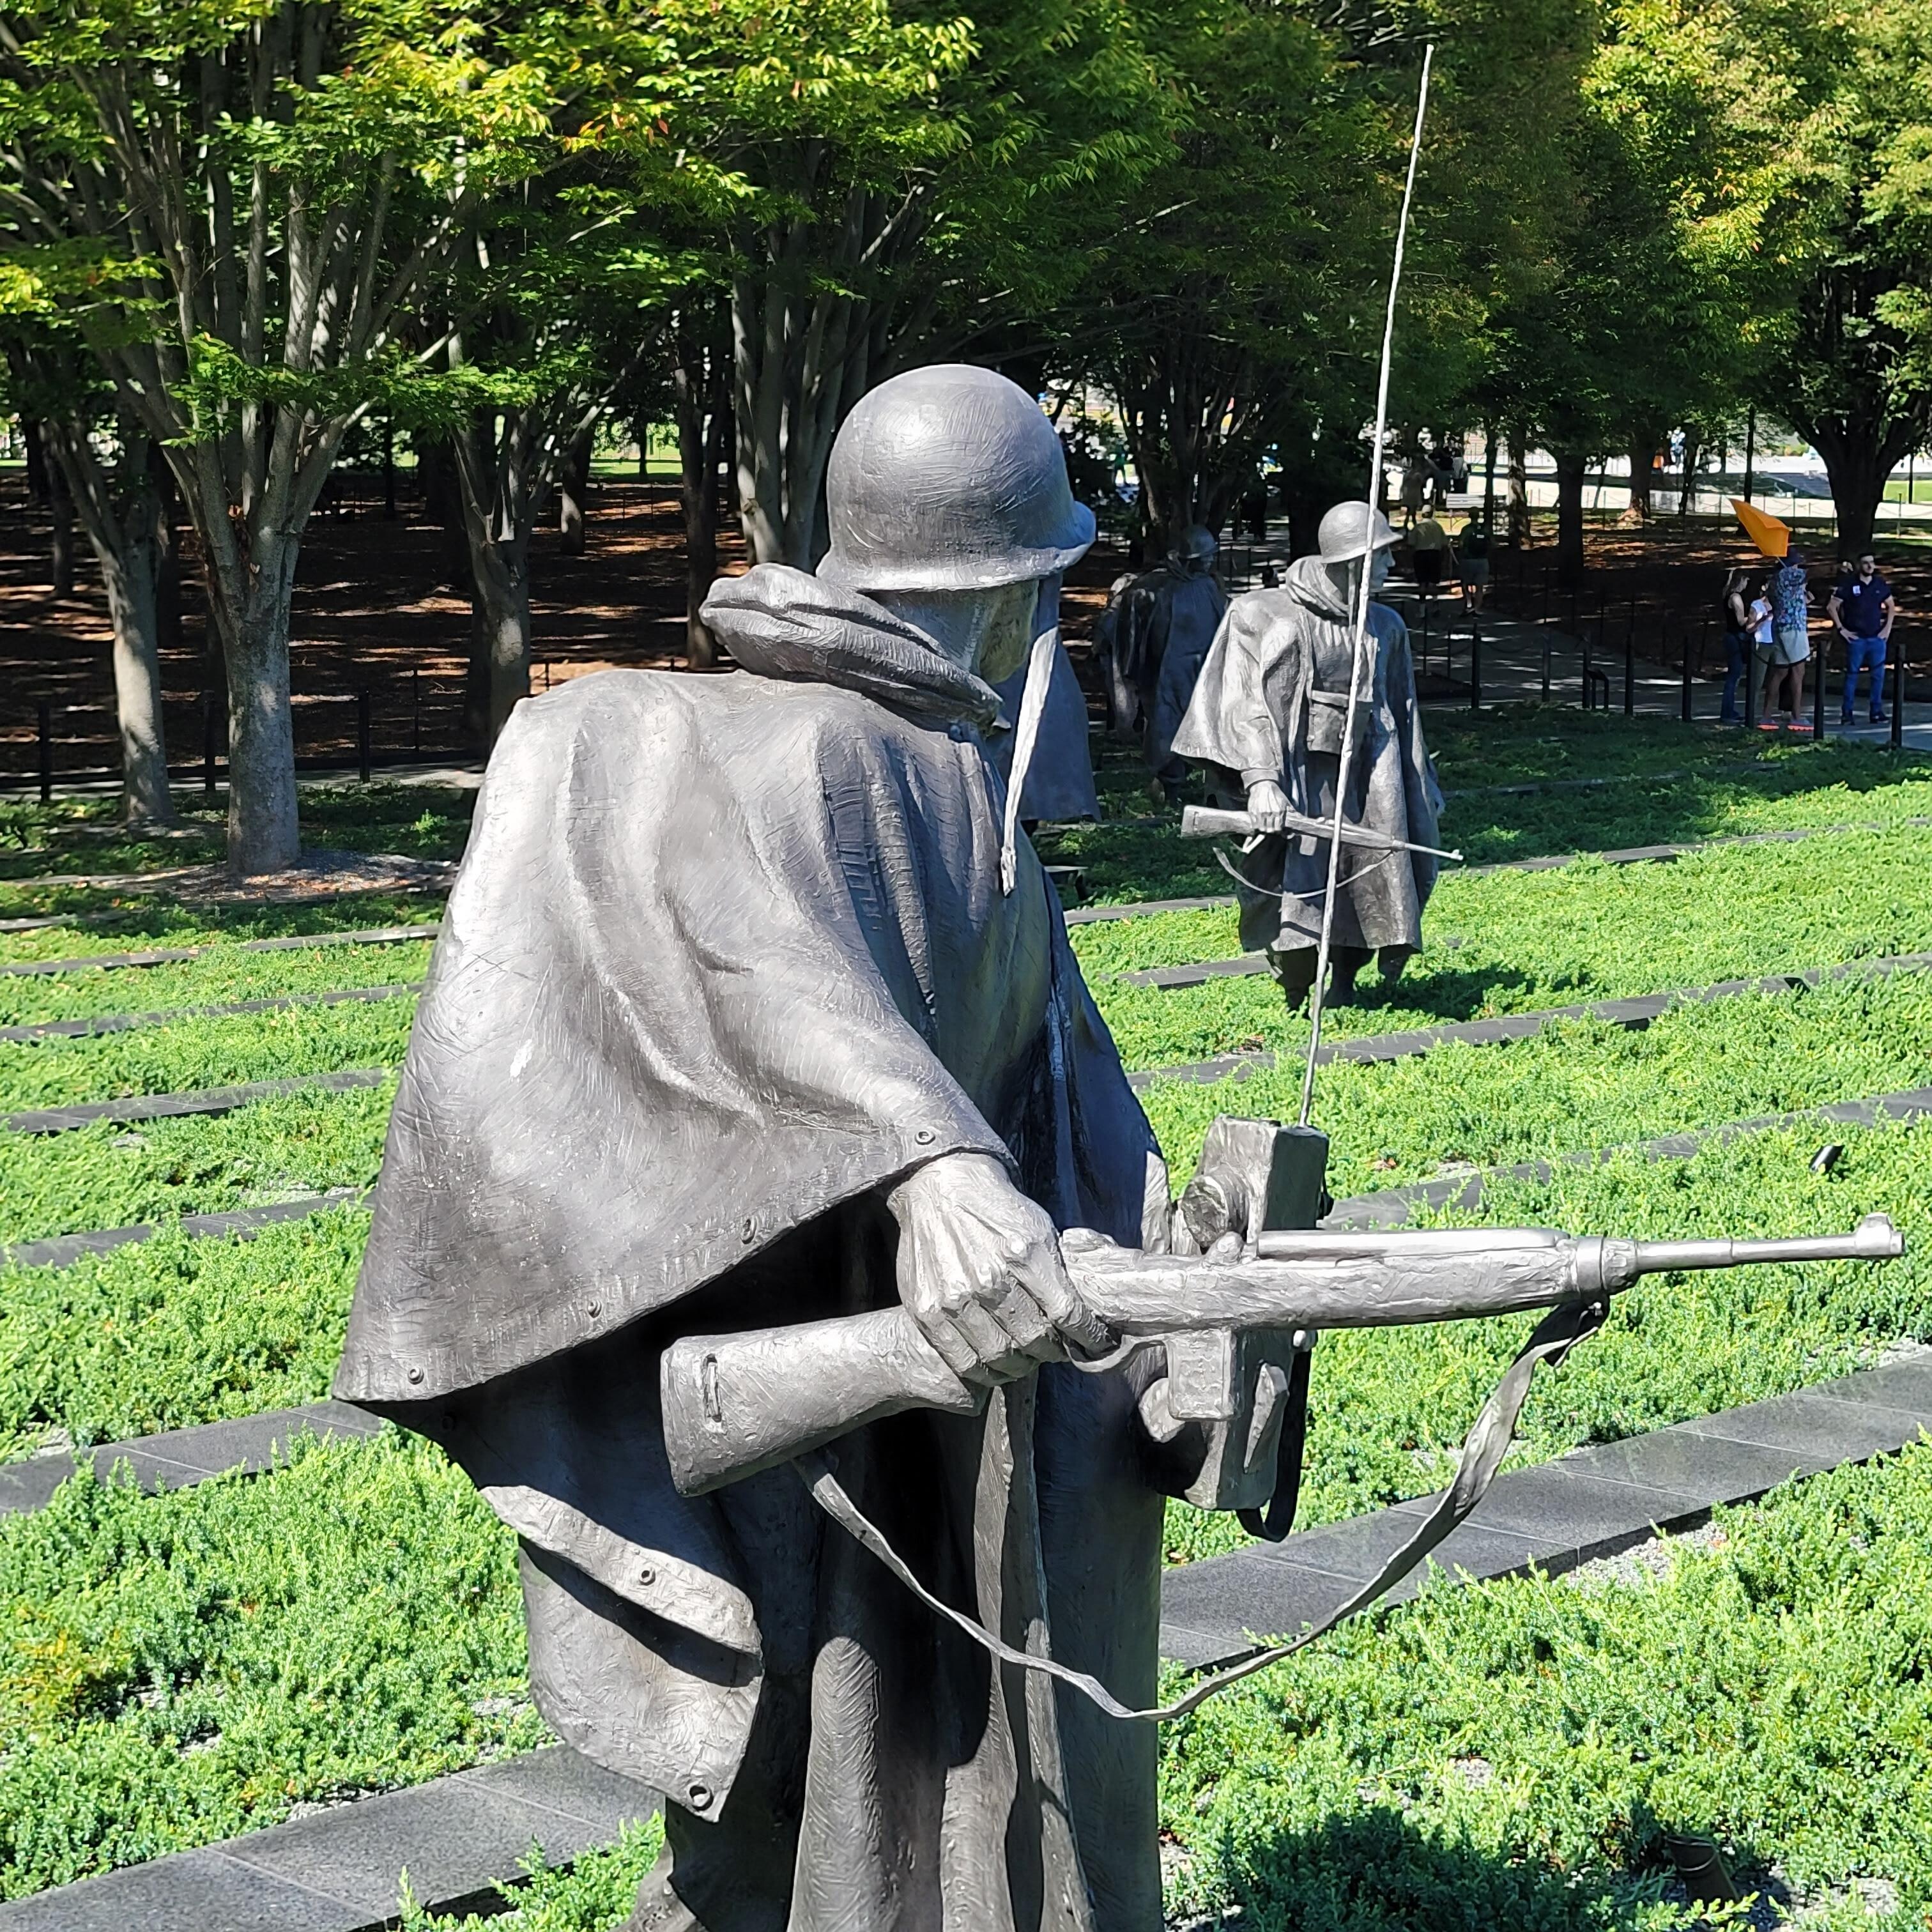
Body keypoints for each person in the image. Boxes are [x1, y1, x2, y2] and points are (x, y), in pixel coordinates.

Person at [332, 364, 1284, 1932]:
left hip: (948, 1401)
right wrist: (936, 1169)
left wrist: (1196, 1290)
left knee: (885, 1780)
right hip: (803, 1389)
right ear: (1019, 591)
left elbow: (1069, 1108)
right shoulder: (726, 743)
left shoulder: (961, 798)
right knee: (792, 1788)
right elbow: (722, 913)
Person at [1171, 500, 1443, 1009]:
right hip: (1292, 770)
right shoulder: (1263, 615)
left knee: (1370, 872)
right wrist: (1261, 781)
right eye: (1381, 557)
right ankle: (1295, 980)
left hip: (1368, 771)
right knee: (1295, 878)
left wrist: (1419, 785)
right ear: (1351, 562)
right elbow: (1244, 702)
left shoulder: (1385, 626)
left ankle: (1346, 979)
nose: (1390, 567)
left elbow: (1404, 712)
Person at [1092, 525, 1229, 800]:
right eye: (1206, 556)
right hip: (1167, 673)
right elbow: (1135, 631)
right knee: (1166, 725)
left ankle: (1212, 787)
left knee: (1210, 724)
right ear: (1190, 558)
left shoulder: (1209, 588)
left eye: (1212, 556)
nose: (1210, 561)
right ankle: (1171, 783)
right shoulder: (1158, 590)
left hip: (1204, 669)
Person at [1827, 550, 1894, 724]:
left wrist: (1887, 628)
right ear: (1859, 566)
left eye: (1872, 562)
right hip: (1856, 638)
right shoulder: (1849, 584)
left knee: (1878, 676)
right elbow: (1832, 606)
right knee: (1852, 676)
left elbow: (1891, 605)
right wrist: (1842, 629)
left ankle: (1876, 711)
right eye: (1866, 563)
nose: (1870, 566)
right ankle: (1847, 713)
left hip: (1876, 638)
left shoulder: (1879, 584)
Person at [1759, 548, 1812, 729]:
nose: (1799, 566)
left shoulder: (1774, 580)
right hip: (1794, 629)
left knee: (1780, 672)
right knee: (1799, 671)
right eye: (1797, 562)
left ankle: (1766, 715)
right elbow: (1814, 573)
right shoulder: (1787, 575)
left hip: (1780, 628)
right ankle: (1796, 716)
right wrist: (1841, 566)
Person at [1720, 565, 1755, 723]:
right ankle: (1727, 712)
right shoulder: (1736, 597)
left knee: (1733, 675)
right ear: (1741, 580)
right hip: (1736, 636)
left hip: (1730, 635)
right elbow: (1741, 621)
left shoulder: (1727, 594)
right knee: (1734, 676)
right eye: (1746, 581)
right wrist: (1755, 618)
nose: (1747, 584)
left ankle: (1728, 710)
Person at [1409, 506, 1452, 601]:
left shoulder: (1418, 526)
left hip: (1421, 555)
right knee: (1434, 582)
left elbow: (1411, 543)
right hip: (1434, 555)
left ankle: (1422, 608)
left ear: (1423, 514)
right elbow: (1444, 543)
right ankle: (1435, 604)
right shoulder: (1437, 526)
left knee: (1422, 582)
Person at [1453, 511, 1491, 613]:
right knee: (1480, 587)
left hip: (1468, 560)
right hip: (1483, 561)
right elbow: (1492, 543)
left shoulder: (1466, 529)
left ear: (1470, 516)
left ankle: (1469, 603)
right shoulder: (1484, 530)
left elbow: (1461, 544)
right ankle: (1477, 608)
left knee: (1465, 583)